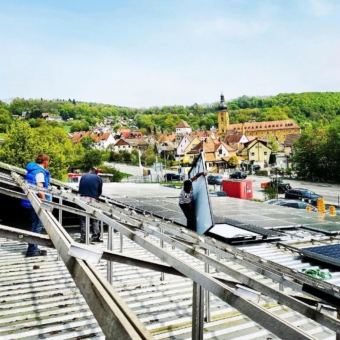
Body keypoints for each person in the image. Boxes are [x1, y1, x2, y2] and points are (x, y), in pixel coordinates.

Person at [21, 154, 51, 257]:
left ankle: (33, 248)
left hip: (32, 201)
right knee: (37, 226)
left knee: (35, 225)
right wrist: (44, 201)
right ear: (45, 162)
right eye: (48, 162)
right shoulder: (40, 172)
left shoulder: (32, 170)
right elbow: (39, 188)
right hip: (38, 202)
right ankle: (32, 251)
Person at [78, 167, 103, 243]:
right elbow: (99, 191)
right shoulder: (98, 178)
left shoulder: (83, 176)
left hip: (82, 198)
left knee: (83, 218)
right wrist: (96, 197)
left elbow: (80, 188)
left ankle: (83, 238)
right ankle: (95, 236)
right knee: (95, 217)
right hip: (92, 199)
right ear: (96, 172)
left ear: (89, 171)